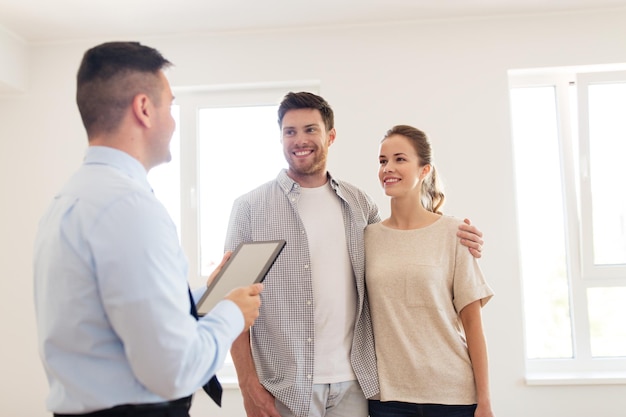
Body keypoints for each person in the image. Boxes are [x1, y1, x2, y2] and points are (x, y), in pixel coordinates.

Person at [33, 41, 263, 417]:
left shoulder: (69, 200)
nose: (173, 121)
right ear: (143, 109)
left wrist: (207, 293)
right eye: (170, 106)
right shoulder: (130, 209)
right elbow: (175, 370)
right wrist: (232, 313)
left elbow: (118, 312)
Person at [226, 92, 485, 417]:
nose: (299, 140)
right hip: (286, 389)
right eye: (289, 132)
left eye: (310, 129)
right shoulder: (250, 209)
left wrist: (459, 236)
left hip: (356, 387)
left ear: (330, 136)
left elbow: (402, 243)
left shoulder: (359, 205)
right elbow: (230, 302)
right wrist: (248, 385)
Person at [365, 125, 495, 417]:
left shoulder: (454, 233)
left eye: (400, 159)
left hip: (453, 395)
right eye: (383, 161)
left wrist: (485, 400)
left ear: (424, 170)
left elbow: (473, 324)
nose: (388, 168)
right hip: (388, 398)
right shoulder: (367, 238)